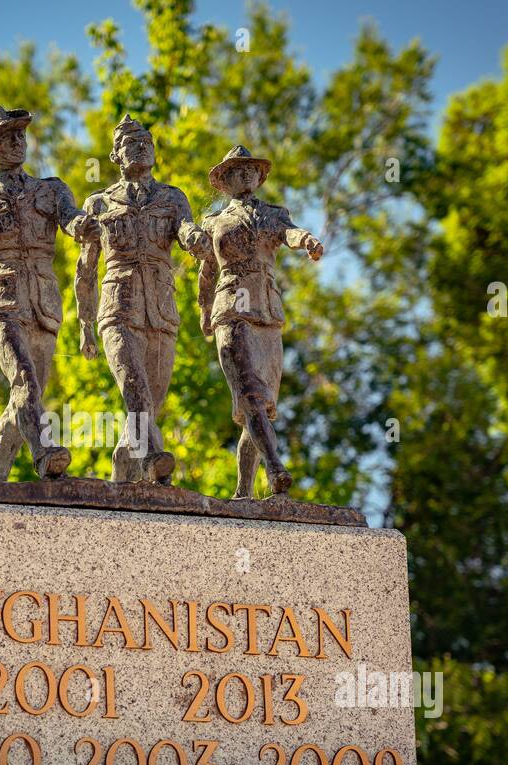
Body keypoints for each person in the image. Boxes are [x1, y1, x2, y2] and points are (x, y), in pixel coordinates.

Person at [0, 106, 91, 480]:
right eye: (8, 137)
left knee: (25, 398)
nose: (17, 142)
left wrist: (84, 227)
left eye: (21, 135)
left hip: (44, 300)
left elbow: (71, 218)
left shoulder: (51, 189)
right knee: (24, 381)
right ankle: (44, 452)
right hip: (3, 298)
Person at [75, 116, 208, 483]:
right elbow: (85, 270)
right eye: (131, 144)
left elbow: (183, 229)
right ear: (115, 155)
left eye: (147, 142)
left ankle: (123, 471)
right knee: (135, 389)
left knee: (152, 400)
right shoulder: (99, 203)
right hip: (118, 308)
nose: (141, 148)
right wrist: (85, 325)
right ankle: (153, 460)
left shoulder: (172, 197)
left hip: (161, 310)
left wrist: (194, 237)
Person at [188, 145, 325, 498]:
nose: (246, 175)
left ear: (260, 177)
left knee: (261, 408)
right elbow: (206, 272)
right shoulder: (215, 222)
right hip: (231, 310)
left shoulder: (274, 215)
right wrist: (204, 310)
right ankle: (275, 466)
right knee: (250, 394)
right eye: (237, 171)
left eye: (251, 170)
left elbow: (290, 233)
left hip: (267, 314)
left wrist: (306, 240)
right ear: (225, 181)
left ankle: (243, 494)